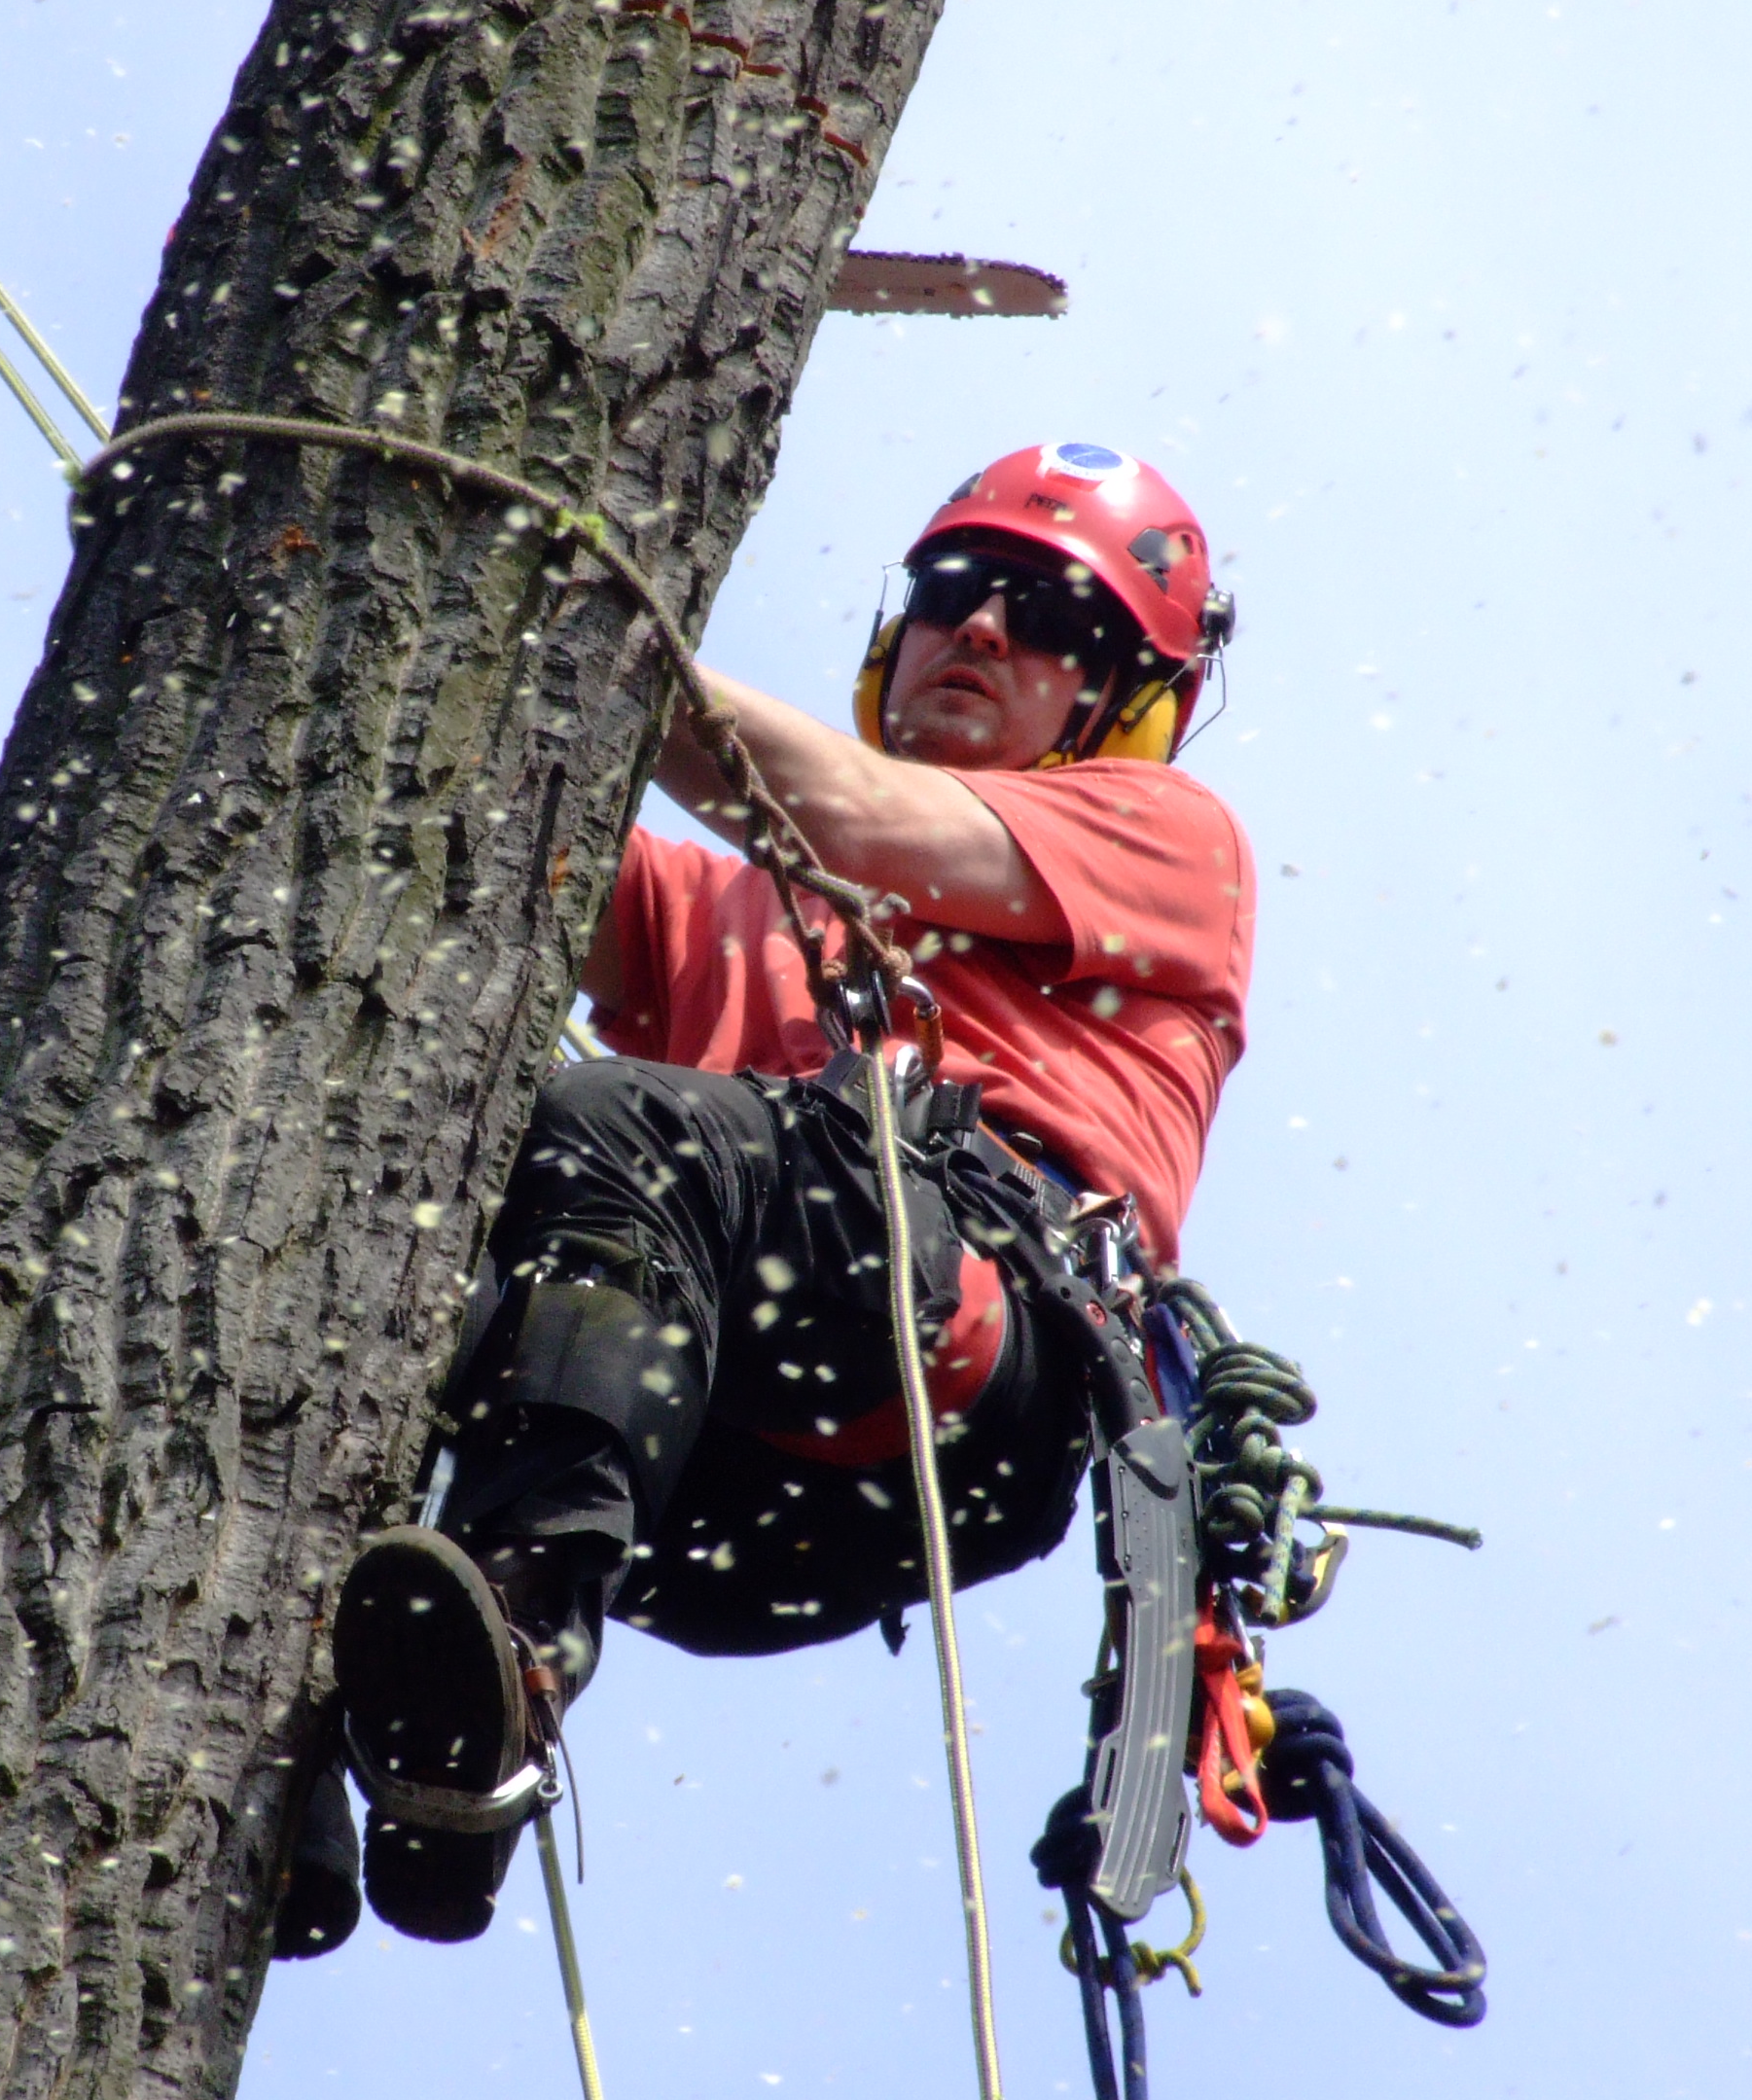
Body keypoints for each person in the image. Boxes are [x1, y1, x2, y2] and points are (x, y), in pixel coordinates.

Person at [321, 440, 1257, 1946]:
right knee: (407, 1285)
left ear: (1124, 696)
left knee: (626, 1134)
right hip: (717, 1498)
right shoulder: (749, 903)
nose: (983, 631)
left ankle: (523, 1626)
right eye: (955, 591)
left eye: (1049, 615)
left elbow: (845, 815)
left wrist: (581, 612)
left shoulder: (1165, 843)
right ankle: (392, 1768)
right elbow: (498, 844)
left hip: (967, 1347)